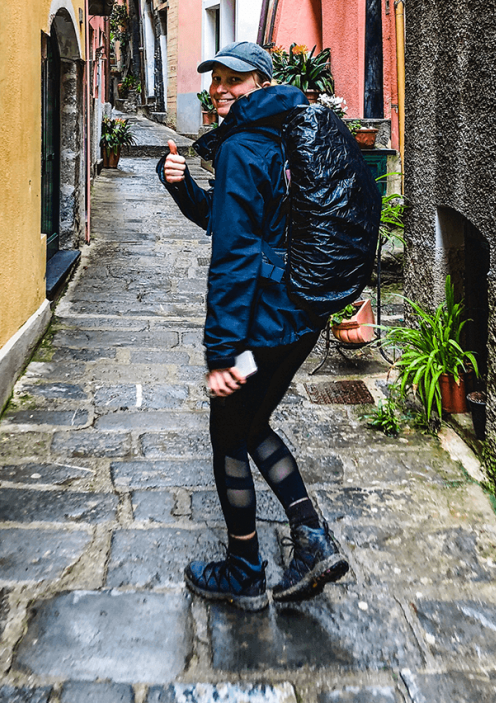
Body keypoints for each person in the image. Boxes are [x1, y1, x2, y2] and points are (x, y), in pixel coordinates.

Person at [157, 41, 348, 611]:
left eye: (233, 80)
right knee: (252, 421)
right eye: (214, 79)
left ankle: (244, 569)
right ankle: (311, 538)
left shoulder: (243, 145)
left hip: (261, 323)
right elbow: (232, 218)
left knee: (228, 433)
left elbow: (236, 256)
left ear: (262, 83)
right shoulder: (285, 131)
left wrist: (222, 352)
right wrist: (182, 188)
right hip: (297, 316)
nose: (219, 89)